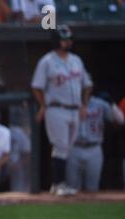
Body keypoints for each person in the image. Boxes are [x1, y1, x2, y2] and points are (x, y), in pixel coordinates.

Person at [32, 25, 93, 196]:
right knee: (60, 146)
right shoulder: (47, 61)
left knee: (66, 148)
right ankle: (58, 184)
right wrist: (43, 105)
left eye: (68, 39)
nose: (67, 42)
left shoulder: (76, 60)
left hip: (74, 109)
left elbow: (87, 84)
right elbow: (37, 87)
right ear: (56, 41)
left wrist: (84, 105)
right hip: (56, 108)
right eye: (64, 39)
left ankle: (60, 183)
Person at [66, 92, 124, 192]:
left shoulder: (99, 103)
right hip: (73, 147)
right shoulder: (67, 103)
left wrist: (111, 104)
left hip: (94, 148)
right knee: (72, 188)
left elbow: (120, 120)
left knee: (92, 188)